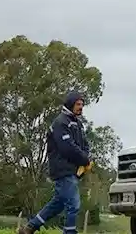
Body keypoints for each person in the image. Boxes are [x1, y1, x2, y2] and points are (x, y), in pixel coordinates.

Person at [18, 91, 93, 234]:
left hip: (73, 171)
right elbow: (67, 148)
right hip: (62, 170)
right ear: (70, 105)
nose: (81, 107)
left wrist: (85, 159)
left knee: (57, 204)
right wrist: (85, 159)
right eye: (78, 104)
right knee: (73, 204)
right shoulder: (60, 122)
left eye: (82, 105)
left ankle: (29, 228)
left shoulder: (78, 124)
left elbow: (85, 145)